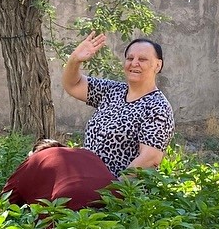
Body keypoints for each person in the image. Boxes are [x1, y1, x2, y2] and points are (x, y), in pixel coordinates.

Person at [62, 33, 175, 177]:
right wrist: (74, 60)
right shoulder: (111, 90)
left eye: (142, 59)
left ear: (158, 65)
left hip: (119, 194)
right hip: (86, 183)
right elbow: (72, 84)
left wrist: (113, 192)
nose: (134, 63)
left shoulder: (157, 107)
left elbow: (149, 159)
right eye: (130, 58)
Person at [0, 138, 117, 213]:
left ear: (33, 154)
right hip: (116, 204)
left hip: (67, 212)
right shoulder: (86, 153)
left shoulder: (33, 160)